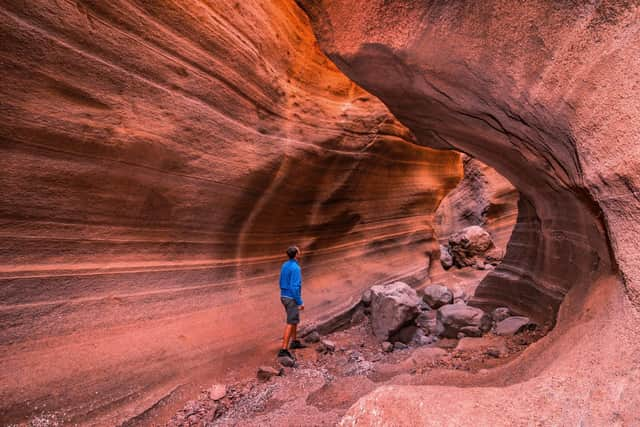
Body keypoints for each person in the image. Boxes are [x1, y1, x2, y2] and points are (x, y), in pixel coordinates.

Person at [278, 245, 306, 359]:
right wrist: (300, 302)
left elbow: (280, 281)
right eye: (299, 251)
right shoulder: (296, 268)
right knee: (290, 322)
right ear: (296, 254)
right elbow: (294, 286)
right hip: (291, 298)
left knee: (294, 320)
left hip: (284, 296)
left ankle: (294, 341)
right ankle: (283, 350)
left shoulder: (285, 265)